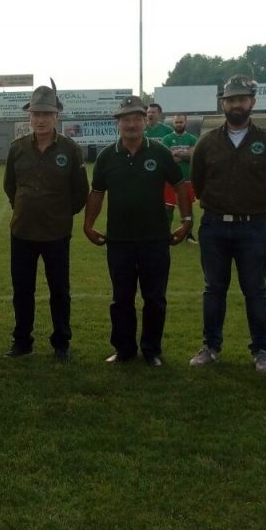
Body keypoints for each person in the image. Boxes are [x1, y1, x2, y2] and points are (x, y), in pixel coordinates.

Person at [188, 75, 266, 373]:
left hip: (252, 228)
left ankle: (261, 350)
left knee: (256, 290)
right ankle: (210, 347)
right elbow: (198, 183)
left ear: (252, 102)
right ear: (223, 104)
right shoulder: (207, 142)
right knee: (213, 289)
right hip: (214, 227)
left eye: (242, 99)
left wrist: (255, 209)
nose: (236, 105)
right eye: (231, 99)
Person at [83, 96, 192, 367]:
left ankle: (152, 350)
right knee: (121, 298)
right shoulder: (107, 156)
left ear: (145, 121)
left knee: (154, 298)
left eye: (136, 118)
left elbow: (180, 186)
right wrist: (88, 224)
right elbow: (97, 192)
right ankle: (124, 350)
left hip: (155, 239)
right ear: (118, 124)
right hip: (119, 240)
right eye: (125, 119)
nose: (131, 124)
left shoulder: (160, 152)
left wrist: (187, 219)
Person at [2, 79, 89, 360]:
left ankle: (61, 342)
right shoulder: (17, 148)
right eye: (36, 114)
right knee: (22, 290)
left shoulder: (70, 149)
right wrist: (25, 208)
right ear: (29, 116)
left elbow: (80, 191)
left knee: (59, 291)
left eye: (46, 114)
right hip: (22, 231)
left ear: (56, 116)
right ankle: (22, 341)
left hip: (56, 233)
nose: (40, 119)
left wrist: (60, 213)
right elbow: (10, 186)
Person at [161, 114, 199, 242]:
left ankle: (189, 235)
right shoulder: (167, 139)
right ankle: (165, 234)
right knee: (168, 207)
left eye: (181, 122)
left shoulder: (192, 139)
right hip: (170, 180)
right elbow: (167, 159)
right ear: (173, 123)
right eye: (176, 122)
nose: (178, 124)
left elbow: (193, 157)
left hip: (187, 179)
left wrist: (177, 154)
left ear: (185, 122)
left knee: (188, 209)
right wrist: (185, 155)